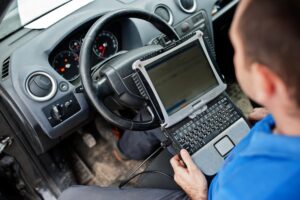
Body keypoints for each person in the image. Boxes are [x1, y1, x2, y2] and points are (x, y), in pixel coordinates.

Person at [59, 0, 300, 199]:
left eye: (238, 50)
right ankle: (124, 150)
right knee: (165, 113)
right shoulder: (283, 127)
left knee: (70, 197)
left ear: (265, 81)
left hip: (210, 190)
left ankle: (122, 151)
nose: (236, 56)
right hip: (249, 154)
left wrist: (198, 193)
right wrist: (277, 117)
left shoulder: (252, 190)